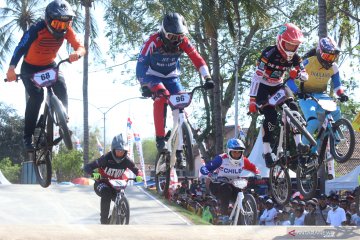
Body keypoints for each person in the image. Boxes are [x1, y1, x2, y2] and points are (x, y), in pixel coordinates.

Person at [136, 12, 214, 168]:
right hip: (152, 76)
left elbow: (197, 58)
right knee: (161, 97)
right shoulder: (152, 41)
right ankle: (160, 138)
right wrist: (145, 86)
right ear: (164, 32)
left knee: (181, 107)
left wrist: (207, 78)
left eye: (179, 37)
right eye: (172, 37)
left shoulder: (184, 41)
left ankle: (179, 150)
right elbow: (140, 66)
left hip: (172, 77)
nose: (176, 41)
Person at [6, 0, 86, 151]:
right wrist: (11, 68)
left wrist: (77, 53)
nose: (61, 28)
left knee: (61, 85)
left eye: (65, 24)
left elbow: (81, 47)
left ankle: (64, 119)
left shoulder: (67, 29)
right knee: (37, 98)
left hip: (49, 65)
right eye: (57, 24)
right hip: (30, 68)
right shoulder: (36, 29)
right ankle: (27, 137)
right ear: (48, 19)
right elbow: (20, 47)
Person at [248, 23, 309, 168]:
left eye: (294, 46)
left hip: (278, 86)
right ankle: (267, 151)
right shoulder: (268, 53)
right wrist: (252, 99)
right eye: (288, 45)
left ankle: (299, 145)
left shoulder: (296, 58)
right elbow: (256, 77)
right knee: (271, 117)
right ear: (281, 41)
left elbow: (305, 75)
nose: (291, 49)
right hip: (263, 87)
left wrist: (298, 74)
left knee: (293, 108)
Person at [286, 36, 348, 154]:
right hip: (306, 96)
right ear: (320, 52)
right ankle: (302, 150)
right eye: (327, 56)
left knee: (336, 112)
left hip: (322, 96)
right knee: (313, 122)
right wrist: (298, 92)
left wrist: (342, 94)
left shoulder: (334, 67)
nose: (330, 60)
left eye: (333, 57)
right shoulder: (308, 62)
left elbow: (337, 86)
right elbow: (289, 81)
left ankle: (335, 142)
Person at [83, 134, 143, 224]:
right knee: (106, 193)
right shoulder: (105, 158)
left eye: (123, 151)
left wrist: (139, 176)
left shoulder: (127, 160)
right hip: (102, 183)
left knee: (121, 200)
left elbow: (137, 170)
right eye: (118, 151)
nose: (120, 153)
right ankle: (103, 221)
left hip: (116, 186)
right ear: (113, 149)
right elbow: (87, 167)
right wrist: (95, 174)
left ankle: (117, 219)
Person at [200, 138, 261, 217]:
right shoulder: (221, 159)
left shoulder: (244, 160)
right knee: (227, 188)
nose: (236, 155)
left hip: (234, 184)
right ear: (228, 151)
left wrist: (257, 173)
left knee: (240, 193)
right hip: (217, 184)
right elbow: (205, 168)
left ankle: (240, 217)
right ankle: (223, 215)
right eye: (234, 152)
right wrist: (209, 173)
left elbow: (254, 168)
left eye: (239, 153)